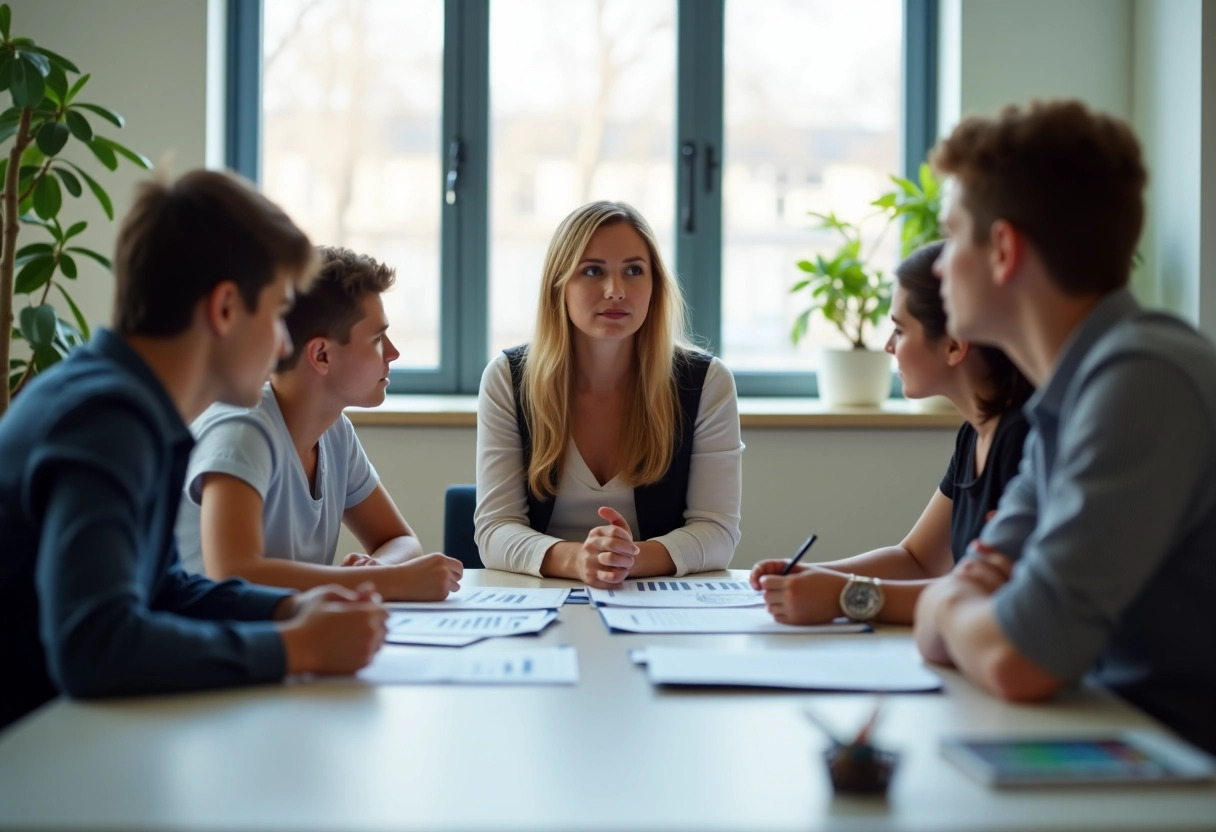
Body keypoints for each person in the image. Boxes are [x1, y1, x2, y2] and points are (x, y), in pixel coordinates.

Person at [0, 171, 388, 732]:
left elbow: (162, 588)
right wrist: (294, 648)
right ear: (226, 308)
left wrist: (287, 609)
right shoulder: (106, 420)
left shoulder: (131, 404)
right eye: (279, 313)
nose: (285, 344)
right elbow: (95, 645)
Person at [913, 100, 1216, 754]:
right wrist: (961, 606)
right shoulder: (1063, 401)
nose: (937, 267)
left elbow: (1019, 658)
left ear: (1002, 249)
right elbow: (953, 621)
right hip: (1122, 743)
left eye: (952, 233)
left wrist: (952, 604)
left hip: (1183, 775)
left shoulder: (1141, 379)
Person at [749, 241, 1032, 625]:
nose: (888, 346)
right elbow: (916, 559)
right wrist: (816, 576)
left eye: (900, 329)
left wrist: (844, 596)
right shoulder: (975, 434)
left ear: (953, 345)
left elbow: (999, 598)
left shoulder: (1023, 442)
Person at [475, 201, 743, 587]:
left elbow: (717, 532)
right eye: (592, 271)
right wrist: (578, 559)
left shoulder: (706, 383)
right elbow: (495, 530)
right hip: (541, 598)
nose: (616, 291)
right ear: (559, 285)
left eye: (634, 271)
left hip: (655, 600)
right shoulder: (507, 378)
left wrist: (626, 560)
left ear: (655, 286)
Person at [175, 245, 462, 600]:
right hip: (207, 648)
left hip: (273, 641)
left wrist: (378, 572)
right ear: (321, 355)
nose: (393, 353)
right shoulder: (241, 431)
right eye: (376, 339)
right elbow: (232, 574)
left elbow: (399, 540)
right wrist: (392, 582)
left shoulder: (335, 431)